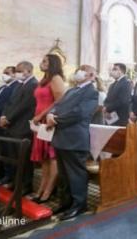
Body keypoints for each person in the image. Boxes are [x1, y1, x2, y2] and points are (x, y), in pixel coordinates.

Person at [47, 65, 99, 220]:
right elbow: (58, 105)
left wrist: (56, 119)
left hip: (75, 138)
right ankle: (66, 202)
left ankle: (79, 205)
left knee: (76, 174)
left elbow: (80, 113)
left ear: (91, 75)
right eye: (78, 69)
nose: (78, 72)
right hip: (61, 137)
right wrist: (51, 113)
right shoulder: (71, 90)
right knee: (63, 174)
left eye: (82, 70)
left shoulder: (91, 92)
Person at [30, 54, 65, 203]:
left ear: (53, 63)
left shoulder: (56, 78)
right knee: (44, 157)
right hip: (40, 120)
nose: (41, 63)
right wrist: (36, 117)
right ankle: (41, 189)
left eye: (45, 61)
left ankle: (48, 191)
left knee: (52, 157)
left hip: (49, 120)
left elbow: (60, 101)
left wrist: (41, 116)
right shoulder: (44, 80)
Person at [0, 61, 38, 194]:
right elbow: (9, 103)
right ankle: (15, 182)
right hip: (12, 126)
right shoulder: (19, 85)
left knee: (24, 159)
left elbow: (24, 106)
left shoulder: (33, 85)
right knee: (14, 157)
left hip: (22, 127)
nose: (17, 73)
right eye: (16, 70)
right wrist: (3, 116)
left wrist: (8, 118)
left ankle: (26, 185)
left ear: (28, 70)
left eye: (20, 70)